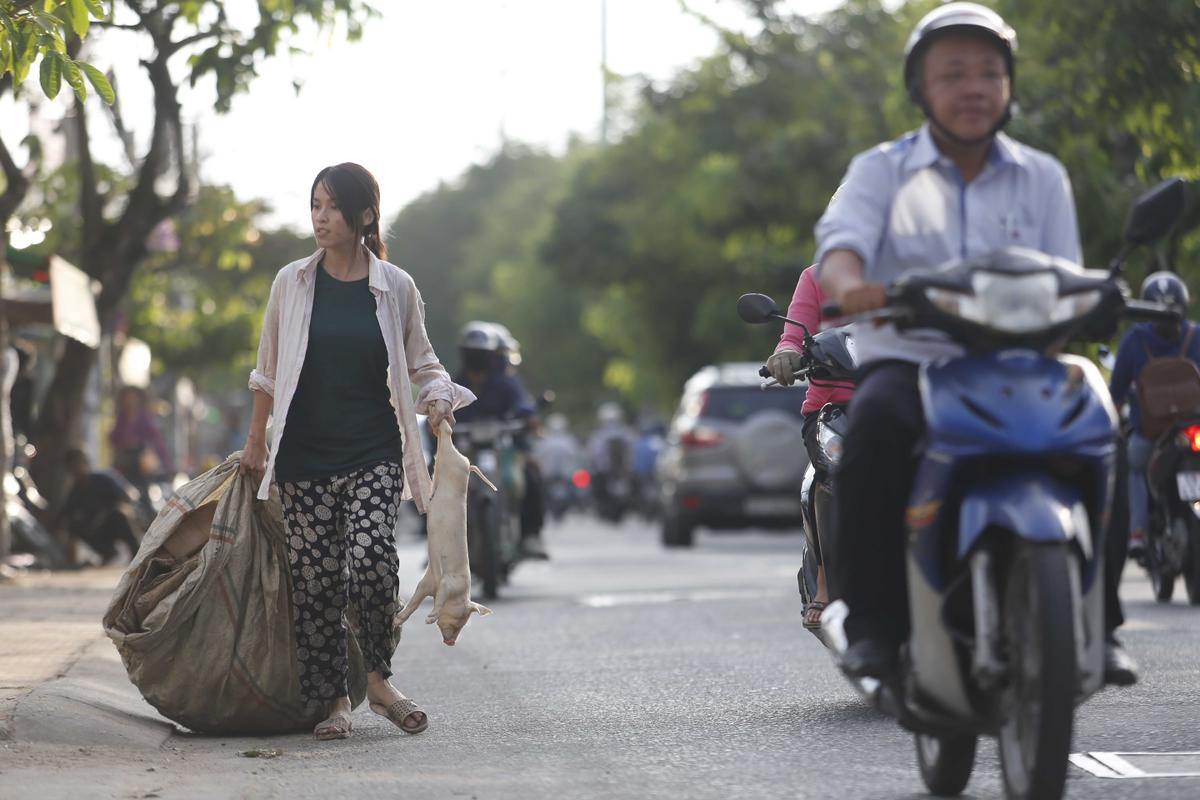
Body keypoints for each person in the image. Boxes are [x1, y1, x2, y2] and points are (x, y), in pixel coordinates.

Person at [815, 3, 1137, 684]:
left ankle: (1101, 623)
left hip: (1022, 363)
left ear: (1008, 86)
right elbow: (839, 253)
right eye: (953, 73)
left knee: (1102, 423)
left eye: (989, 73)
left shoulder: (1042, 175)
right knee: (873, 427)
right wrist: (854, 285)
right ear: (921, 89)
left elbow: (1064, 274)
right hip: (914, 363)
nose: (973, 88)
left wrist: (1102, 297)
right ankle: (871, 624)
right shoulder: (881, 170)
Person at [239, 162, 475, 741]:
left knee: (371, 565)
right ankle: (333, 700)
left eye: (333, 207)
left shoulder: (395, 286)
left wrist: (438, 398)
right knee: (317, 579)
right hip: (303, 455)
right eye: (315, 205)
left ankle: (378, 681)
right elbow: (267, 372)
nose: (320, 217)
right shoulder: (291, 282)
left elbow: (423, 362)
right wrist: (255, 443)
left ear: (365, 214)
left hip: (374, 449)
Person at [766, 264, 854, 630]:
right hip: (835, 409)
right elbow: (793, 335)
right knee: (835, 466)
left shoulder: (916, 268)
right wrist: (787, 352)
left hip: (912, 398)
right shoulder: (815, 277)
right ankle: (826, 580)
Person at [1109, 272, 1200, 557]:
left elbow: (1116, 393)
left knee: (1135, 465)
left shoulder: (1135, 341)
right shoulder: (1196, 335)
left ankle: (1137, 532)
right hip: (1194, 429)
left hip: (1150, 433)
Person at [452, 321, 549, 559]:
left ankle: (530, 535)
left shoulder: (505, 382)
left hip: (504, 449)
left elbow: (521, 405)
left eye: (481, 354)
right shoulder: (454, 382)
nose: (477, 359)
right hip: (466, 452)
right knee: (439, 487)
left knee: (529, 476)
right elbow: (444, 409)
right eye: (472, 353)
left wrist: (529, 418)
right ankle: (442, 544)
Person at [57, 448, 140, 564]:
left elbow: (129, 496)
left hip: (114, 522)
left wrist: (115, 507)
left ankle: (138, 554)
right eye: (72, 467)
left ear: (85, 463)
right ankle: (107, 552)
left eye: (78, 464)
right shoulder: (75, 492)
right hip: (97, 530)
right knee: (73, 525)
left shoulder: (103, 479)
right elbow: (65, 516)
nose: (76, 470)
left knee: (121, 514)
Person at [109, 385, 172, 492]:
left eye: (133, 398)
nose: (130, 401)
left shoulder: (145, 416)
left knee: (144, 492)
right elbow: (114, 439)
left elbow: (156, 440)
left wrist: (167, 464)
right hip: (124, 462)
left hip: (142, 463)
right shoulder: (122, 418)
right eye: (127, 398)